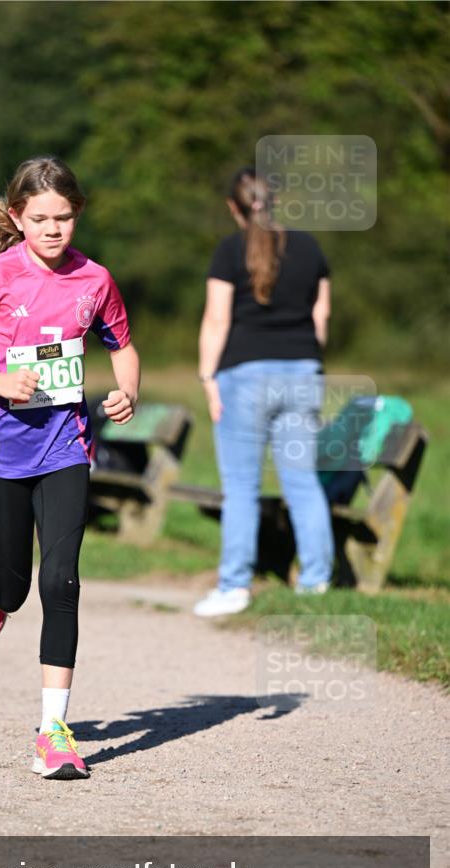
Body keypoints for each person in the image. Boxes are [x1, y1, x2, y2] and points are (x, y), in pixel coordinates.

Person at [0, 156, 140, 780]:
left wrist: (127, 391)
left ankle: (54, 731)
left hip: (67, 444)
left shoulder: (95, 279)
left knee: (62, 582)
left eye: (63, 217)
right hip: (0, 446)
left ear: (77, 215)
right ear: (17, 217)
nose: (53, 229)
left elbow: (123, 346)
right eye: (40, 218)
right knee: (15, 590)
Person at [194, 167, 334, 617]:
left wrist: (207, 379)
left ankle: (235, 587)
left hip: (244, 376)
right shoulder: (309, 247)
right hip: (303, 372)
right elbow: (321, 318)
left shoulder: (228, 251)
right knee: (303, 483)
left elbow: (217, 321)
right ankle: (316, 583)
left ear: (232, 207)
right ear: (274, 202)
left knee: (241, 487)